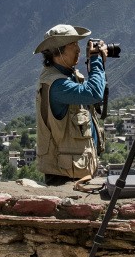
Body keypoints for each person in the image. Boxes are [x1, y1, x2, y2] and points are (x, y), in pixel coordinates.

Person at [33, 23, 107, 186]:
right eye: (73, 44)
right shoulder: (56, 84)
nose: (79, 49)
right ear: (58, 50)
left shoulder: (67, 75)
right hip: (64, 177)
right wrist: (96, 61)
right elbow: (93, 94)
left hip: (76, 171)